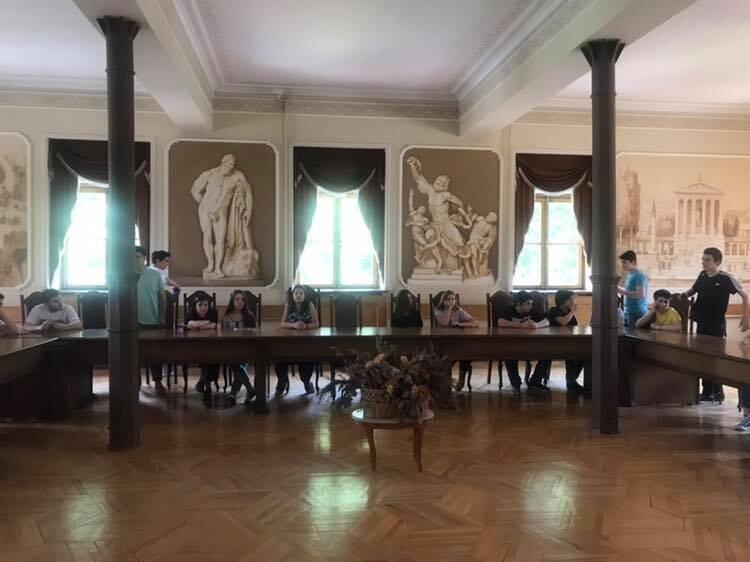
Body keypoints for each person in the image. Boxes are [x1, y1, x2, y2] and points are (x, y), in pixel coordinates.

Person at [679, 247, 749, 403]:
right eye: (703, 259)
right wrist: (683, 295)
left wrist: (746, 317)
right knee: (703, 358)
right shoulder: (703, 275)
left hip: (716, 325)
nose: (703, 262)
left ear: (717, 262)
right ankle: (712, 392)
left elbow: (745, 296)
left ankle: (712, 392)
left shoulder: (726, 278)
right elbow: (694, 290)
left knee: (714, 359)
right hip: (701, 322)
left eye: (707, 260)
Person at [498, 291, 550, 396]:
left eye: (531, 303)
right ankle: (515, 384)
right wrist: (521, 325)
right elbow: (501, 322)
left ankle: (535, 382)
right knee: (510, 355)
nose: (530, 306)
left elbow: (546, 321)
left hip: (531, 344)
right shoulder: (509, 310)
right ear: (518, 304)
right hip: (512, 343)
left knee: (548, 354)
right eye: (528, 304)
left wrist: (536, 325)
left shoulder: (532, 311)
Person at [276, 285, 320, 396]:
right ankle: (281, 383)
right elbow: (282, 323)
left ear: (305, 296)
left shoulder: (309, 305)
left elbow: (316, 323)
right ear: (293, 295)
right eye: (296, 293)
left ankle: (306, 382)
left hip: (306, 341)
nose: (298, 295)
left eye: (301, 293)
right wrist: (293, 325)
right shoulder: (289, 305)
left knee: (307, 361)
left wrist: (306, 326)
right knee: (280, 361)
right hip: (289, 342)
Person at [136, 246, 166, 396]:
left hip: (152, 320)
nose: (134, 260)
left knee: (156, 353)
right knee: (133, 353)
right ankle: (135, 382)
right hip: (132, 323)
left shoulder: (155, 275)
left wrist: (161, 316)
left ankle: (158, 381)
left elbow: (162, 297)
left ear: (144, 258)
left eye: (137, 256)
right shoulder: (125, 275)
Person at [433, 290, 478, 391]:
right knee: (447, 358)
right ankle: (443, 384)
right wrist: (449, 309)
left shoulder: (459, 310)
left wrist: (461, 324)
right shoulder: (438, 311)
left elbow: (475, 322)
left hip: (457, 341)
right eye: (448, 299)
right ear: (443, 300)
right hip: (443, 342)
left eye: (453, 299)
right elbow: (445, 323)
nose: (451, 301)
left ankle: (461, 381)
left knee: (467, 354)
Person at [546, 290, 589, 395]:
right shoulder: (554, 310)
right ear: (562, 301)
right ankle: (571, 382)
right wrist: (572, 312)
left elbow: (574, 326)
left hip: (568, 341)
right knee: (571, 354)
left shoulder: (568, 311)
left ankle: (572, 380)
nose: (572, 302)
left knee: (585, 353)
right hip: (554, 342)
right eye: (570, 300)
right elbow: (563, 322)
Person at [222, 290, 257, 405]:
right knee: (235, 363)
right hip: (230, 348)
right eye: (237, 299)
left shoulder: (249, 316)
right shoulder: (226, 316)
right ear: (232, 301)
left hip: (246, 348)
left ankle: (233, 394)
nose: (240, 302)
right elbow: (223, 334)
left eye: (242, 299)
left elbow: (255, 334)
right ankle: (249, 389)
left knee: (237, 365)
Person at [184, 291, 220, 399]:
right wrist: (206, 323)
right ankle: (205, 382)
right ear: (195, 306)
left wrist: (197, 326)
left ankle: (204, 382)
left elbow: (213, 325)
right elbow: (190, 323)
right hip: (193, 344)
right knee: (205, 352)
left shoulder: (213, 312)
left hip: (211, 342)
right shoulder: (190, 313)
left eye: (205, 305)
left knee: (213, 352)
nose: (203, 307)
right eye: (200, 305)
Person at [617, 250, 648, 327]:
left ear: (633, 262)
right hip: (629, 311)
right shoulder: (630, 275)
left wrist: (621, 291)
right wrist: (618, 288)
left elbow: (640, 294)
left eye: (625, 262)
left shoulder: (639, 276)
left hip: (637, 312)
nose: (623, 265)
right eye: (622, 262)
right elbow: (628, 291)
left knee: (635, 334)